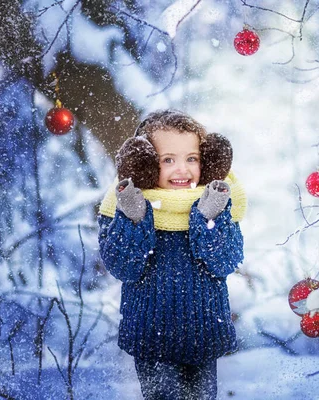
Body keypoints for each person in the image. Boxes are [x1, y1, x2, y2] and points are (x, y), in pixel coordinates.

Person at [97, 110, 246, 399]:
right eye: (168, 160)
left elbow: (226, 260)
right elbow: (123, 266)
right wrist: (135, 218)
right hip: (152, 338)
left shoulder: (216, 201)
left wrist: (207, 216)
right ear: (145, 165)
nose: (182, 170)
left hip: (204, 333)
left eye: (192, 158)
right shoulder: (125, 203)